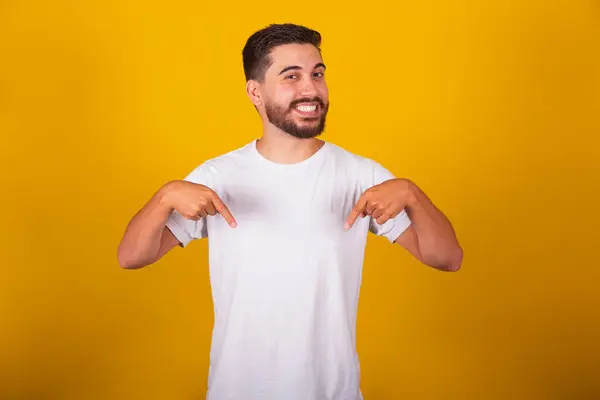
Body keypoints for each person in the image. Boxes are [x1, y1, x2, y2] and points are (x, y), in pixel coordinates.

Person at [117, 23, 463, 400]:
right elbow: (132, 256)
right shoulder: (218, 177)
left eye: (317, 74)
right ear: (255, 92)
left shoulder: (361, 176)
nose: (310, 89)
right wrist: (164, 196)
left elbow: (447, 258)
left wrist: (413, 194)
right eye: (291, 77)